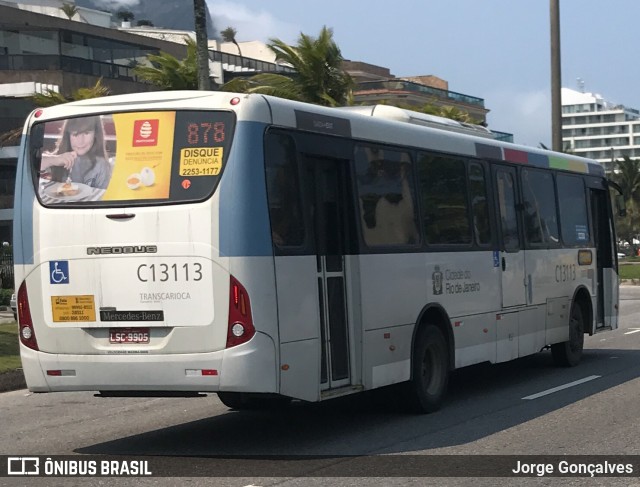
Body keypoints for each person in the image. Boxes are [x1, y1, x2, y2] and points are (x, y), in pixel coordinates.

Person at [40, 116, 112, 189]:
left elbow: (105, 196)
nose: (80, 141)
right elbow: (34, 164)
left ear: (96, 134)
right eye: (75, 134)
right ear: (68, 136)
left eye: (86, 133)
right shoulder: (61, 157)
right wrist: (53, 160)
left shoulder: (102, 165)